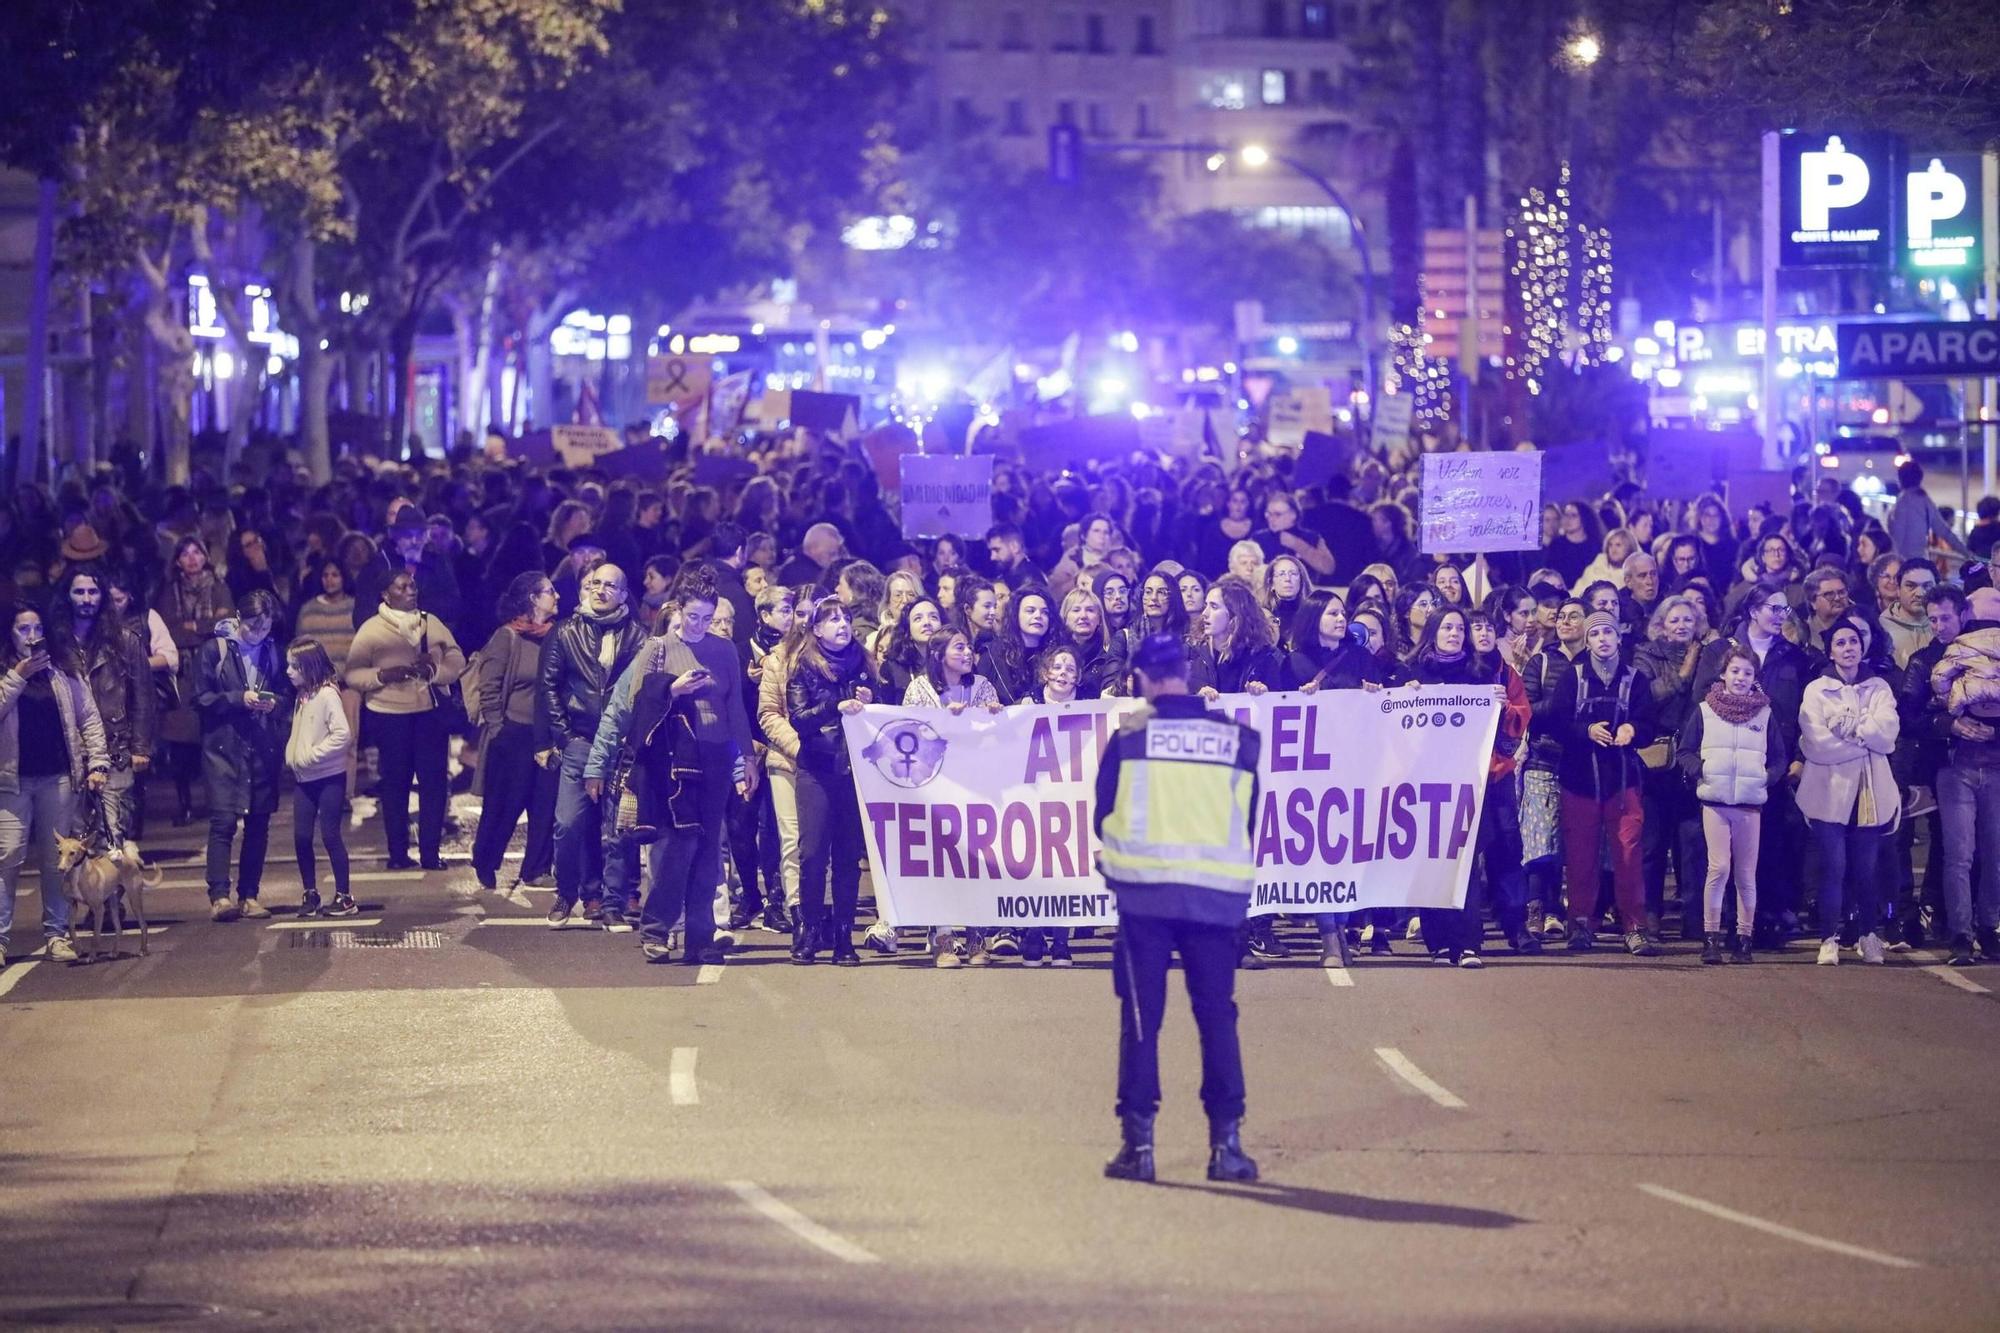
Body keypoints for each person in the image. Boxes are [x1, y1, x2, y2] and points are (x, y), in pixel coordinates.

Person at [1097, 633, 1262, 1186]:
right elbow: (1250, 817)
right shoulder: (1238, 739)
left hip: (1145, 897)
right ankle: (1227, 1148)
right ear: (1187, 673)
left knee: (1143, 1021)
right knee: (1217, 1017)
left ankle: (1139, 1149)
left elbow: (1103, 814)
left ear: (1142, 679)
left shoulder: (1131, 736)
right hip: (1215, 899)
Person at [589, 570, 758, 967]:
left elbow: (734, 708)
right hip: (675, 761)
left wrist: (747, 759)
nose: (698, 625)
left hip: (716, 757)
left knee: (707, 850)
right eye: (692, 616)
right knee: (676, 847)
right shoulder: (659, 647)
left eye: (707, 618)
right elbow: (634, 701)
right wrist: (673, 689)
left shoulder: (725, 650)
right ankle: (656, 930)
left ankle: (700, 937)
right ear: (677, 610)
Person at [535, 564, 648, 928]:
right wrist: (564, 737)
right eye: (596, 583)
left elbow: (643, 690)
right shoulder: (566, 632)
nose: (600, 590)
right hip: (580, 741)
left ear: (622, 592)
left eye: (609, 585)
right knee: (568, 824)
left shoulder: (638, 636)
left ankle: (613, 899)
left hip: (619, 745)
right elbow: (548, 687)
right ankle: (567, 893)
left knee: (619, 830)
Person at [0, 604, 110, 964]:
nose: (31, 636)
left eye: (36, 628)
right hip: (12, 781)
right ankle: (0, 939)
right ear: (9, 634)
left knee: (56, 860)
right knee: (7, 856)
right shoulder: (6, 672)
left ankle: (57, 934)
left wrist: (97, 762)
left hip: (58, 778)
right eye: (22, 629)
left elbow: (89, 717)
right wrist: (17, 677)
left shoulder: (63, 671)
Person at [1551, 610, 1661, 955]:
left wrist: (1634, 730)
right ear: (1587, 640)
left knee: (1628, 856)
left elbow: (1649, 722)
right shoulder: (1574, 677)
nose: (1602, 639)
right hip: (1580, 781)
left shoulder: (1635, 679)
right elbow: (1555, 721)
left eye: (1607, 633)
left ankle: (1635, 927)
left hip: (1623, 782)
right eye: (1595, 634)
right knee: (1581, 857)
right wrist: (1585, 731)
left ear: (1618, 638)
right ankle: (1581, 924)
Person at [345, 571, 466, 873]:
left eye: (413, 585)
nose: (411, 590)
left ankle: (430, 852)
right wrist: (382, 676)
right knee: (395, 786)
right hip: (389, 717)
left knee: (434, 783)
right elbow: (353, 673)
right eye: (402, 587)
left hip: (429, 714)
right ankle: (397, 852)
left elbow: (457, 659)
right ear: (386, 595)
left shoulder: (430, 622)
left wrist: (434, 671)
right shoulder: (371, 630)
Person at [1797, 617, 1900, 966]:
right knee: (1834, 866)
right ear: (1830, 650)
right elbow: (1816, 744)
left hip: (1870, 792)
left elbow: (1888, 735)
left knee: (1866, 869)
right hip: (1829, 792)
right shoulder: (1816, 689)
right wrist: (1864, 742)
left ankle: (1869, 935)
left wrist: (1850, 729)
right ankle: (1829, 937)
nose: (1848, 648)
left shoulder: (1879, 687)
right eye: (1840, 643)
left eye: (1853, 641)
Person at [783, 598, 876, 965]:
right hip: (817, 768)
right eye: (832, 619)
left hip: (854, 771)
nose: (842, 624)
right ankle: (808, 931)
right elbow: (799, 719)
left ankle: (843, 937)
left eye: (846, 618)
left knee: (847, 858)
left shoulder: (864, 663)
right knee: (812, 854)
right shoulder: (804, 666)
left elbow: (883, 712)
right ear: (817, 629)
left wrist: (872, 699)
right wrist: (835, 705)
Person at [1677, 645, 1783, 965]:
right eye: (1735, 671)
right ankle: (1711, 937)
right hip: (1715, 801)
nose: (1740, 678)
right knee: (1719, 867)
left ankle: (1744, 938)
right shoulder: (1705, 711)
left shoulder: (1764, 714)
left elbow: (1779, 757)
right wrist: (1703, 770)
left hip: (1750, 804)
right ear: (1723, 673)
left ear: (1755, 678)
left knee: (1746, 874)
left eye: (1747, 673)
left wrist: (1765, 778)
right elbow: (1685, 751)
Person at [198, 591, 291, 920]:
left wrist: (273, 703)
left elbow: (285, 694)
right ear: (239, 617)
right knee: (223, 820)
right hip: (223, 747)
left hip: (261, 745)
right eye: (253, 626)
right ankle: (219, 896)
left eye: (266, 627)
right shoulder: (215, 649)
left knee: (258, 822)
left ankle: (249, 895)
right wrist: (239, 698)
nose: (259, 632)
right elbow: (201, 698)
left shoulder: (272, 651)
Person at [48, 566, 153, 841]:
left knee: (113, 836)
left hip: (116, 746)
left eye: (93, 592)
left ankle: (117, 885)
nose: (86, 599)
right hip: (69, 752)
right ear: (67, 596)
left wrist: (140, 747)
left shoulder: (126, 640)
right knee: (74, 838)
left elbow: (143, 695)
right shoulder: (56, 644)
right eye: (79, 591)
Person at [1923, 592, 2000, 965]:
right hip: (1955, 768)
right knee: (1959, 856)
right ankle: (1960, 934)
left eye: (1945, 618)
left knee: (1994, 855)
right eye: (1933, 619)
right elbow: (1917, 716)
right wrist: (1952, 723)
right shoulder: (1931, 658)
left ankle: (1989, 930)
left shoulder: (1987, 650)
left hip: (1996, 767)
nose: (1939, 626)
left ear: (1964, 614)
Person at [470, 572, 560, 892]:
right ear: (533, 599)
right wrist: (498, 728)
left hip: (545, 734)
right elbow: (489, 686)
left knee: (544, 804)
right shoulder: (507, 636)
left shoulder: (555, 636)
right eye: (550, 591)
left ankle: (536, 868)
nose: (557, 596)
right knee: (504, 804)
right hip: (513, 733)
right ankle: (485, 859)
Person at [155, 536, 233, 825]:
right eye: (185, 554)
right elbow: (167, 631)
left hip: (213, 674)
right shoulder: (167, 593)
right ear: (177, 561)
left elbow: (224, 625)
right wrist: (200, 628)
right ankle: (184, 803)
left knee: (213, 741)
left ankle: (217, 803)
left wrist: (193, 626)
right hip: (181, 676)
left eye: (196, 552)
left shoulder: (219, 589)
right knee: (181, 745)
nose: (191, 558)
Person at [284, 637, 355, 918]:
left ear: (309, 667)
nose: (288, 671)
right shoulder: (303, 695)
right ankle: (310, 892)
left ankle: (345, 895)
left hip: (328, 777)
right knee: (301, 837)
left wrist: (311, 756)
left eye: (294, 666)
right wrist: (293, 756)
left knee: (330, 835)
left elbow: (343, 735)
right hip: (305, 779)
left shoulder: (327, 695)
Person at [1887, 459, 1971, 563]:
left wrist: (1892, 565)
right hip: (1922, 562)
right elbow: (1944, 531)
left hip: (1904, 565)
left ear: (1900, 479)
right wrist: (1966, 553)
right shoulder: (1925, 501)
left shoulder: (1901, 504)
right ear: (1920, 479)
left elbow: (1896, 541)